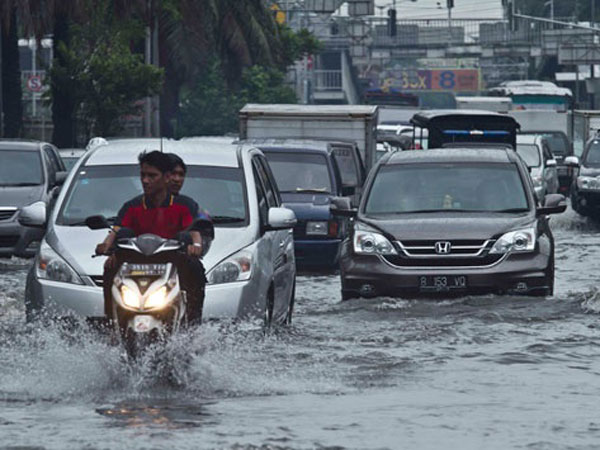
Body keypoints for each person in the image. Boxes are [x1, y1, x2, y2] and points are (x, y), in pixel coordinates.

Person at [95, 151, 208, 326]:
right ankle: (112, 322)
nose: (146, 180)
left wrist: (196, 245)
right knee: (110, 266)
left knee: (196, 267)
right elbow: (116, 231)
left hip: (172, 260)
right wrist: (105, 245)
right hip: (137, 261)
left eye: (152, 176)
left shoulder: (184, 205)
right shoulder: (132, 206)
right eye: (143, 175)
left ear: (166, 177)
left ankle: (193, 322)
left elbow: (193, 230)